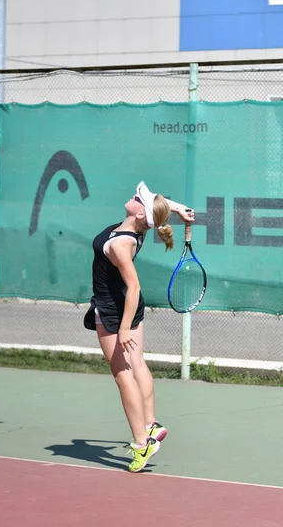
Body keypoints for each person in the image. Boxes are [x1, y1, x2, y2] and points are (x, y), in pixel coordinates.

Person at [84, 181, 194, 472]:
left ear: (142, 215)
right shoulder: (134, 229)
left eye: (138, 198)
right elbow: (156, 205)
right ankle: (150, 424)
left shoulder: (121, 243)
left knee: (122, 374)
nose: (133, 196)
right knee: (137, 364)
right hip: (125, 307)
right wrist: (177, 207)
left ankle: (141, 442)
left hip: (114, 310)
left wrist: (121, 328)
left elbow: (133, 287)